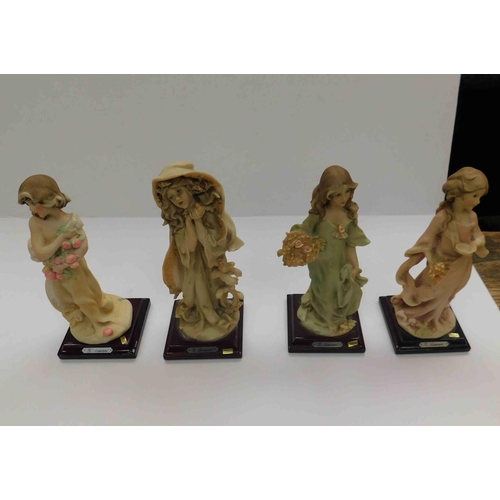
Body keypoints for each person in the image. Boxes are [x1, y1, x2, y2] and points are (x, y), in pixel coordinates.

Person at [18, 174, 132, 344]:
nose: (31, 210)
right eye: (28, 205)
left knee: (87, 293)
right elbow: (41, 253)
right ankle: (86, 319)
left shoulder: (69, 220)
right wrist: (61, 239)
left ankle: (100, 321)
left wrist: (68, 261)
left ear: (49, 201)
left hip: (74, 269)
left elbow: (83, 245)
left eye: (33, 204)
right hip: (56, 271)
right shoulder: (36, 223)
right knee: (63, 297)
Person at [391, 167, 489, 338]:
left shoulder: (472, 217)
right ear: (458, 195)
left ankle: (435, 316)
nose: (478, 201)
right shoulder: (443, 217)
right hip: (441, 266)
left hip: (462, 264)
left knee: (448, 294)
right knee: (432, 292)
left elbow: (478, 236)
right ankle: (417, 316)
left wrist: (478, 242)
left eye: (480, 197)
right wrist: (426, 259)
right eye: (475, 196)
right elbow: (426, 241)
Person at [153, 162, 244, 341]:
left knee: (215, 288)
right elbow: (190, 247)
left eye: (179, 191)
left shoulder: (210, 212)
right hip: (193, 264)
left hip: (211, 260)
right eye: (171, 197)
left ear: (190, 190)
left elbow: (213, 242)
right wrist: (191, 221)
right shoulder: (180, 221)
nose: (177, 199)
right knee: (198, 291)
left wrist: (200, 220)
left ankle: (216, 314)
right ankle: (208, 317)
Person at [280, 165, 370, 336]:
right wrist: (296, 245)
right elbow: (304, 231)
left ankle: (333, 320)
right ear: (328, 195)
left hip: (339, 263)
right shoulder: (319, 215)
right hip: (319, 263)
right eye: (338, 194)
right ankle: (325, 321)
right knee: (324, 291)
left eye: (347, 192)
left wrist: (355, 266)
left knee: (338, 292)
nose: (344, 198)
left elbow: (351, 245)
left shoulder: (348, 216)